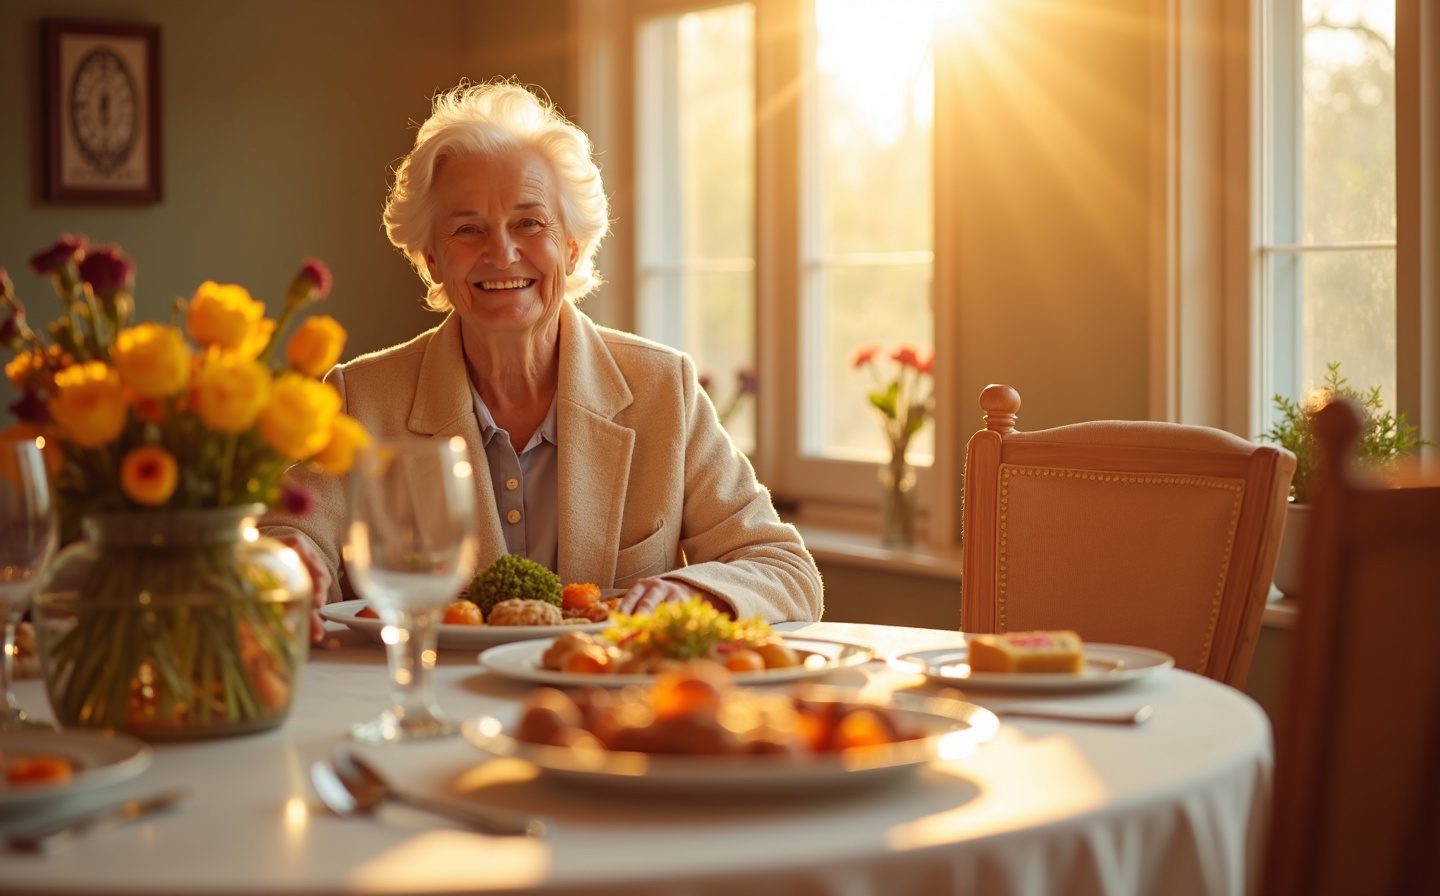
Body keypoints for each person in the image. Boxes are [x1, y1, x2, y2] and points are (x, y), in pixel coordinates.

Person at [262, 79, 823, 644]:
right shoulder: (361, 398)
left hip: (603, 695)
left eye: (529, 223)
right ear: (432, 259)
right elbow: (288, 535)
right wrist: (289, 563)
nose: (502, 252)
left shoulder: (663, 389)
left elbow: (784, 569)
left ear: (573, 247)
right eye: (467, 229)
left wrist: (689, 593)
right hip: (427, 694)